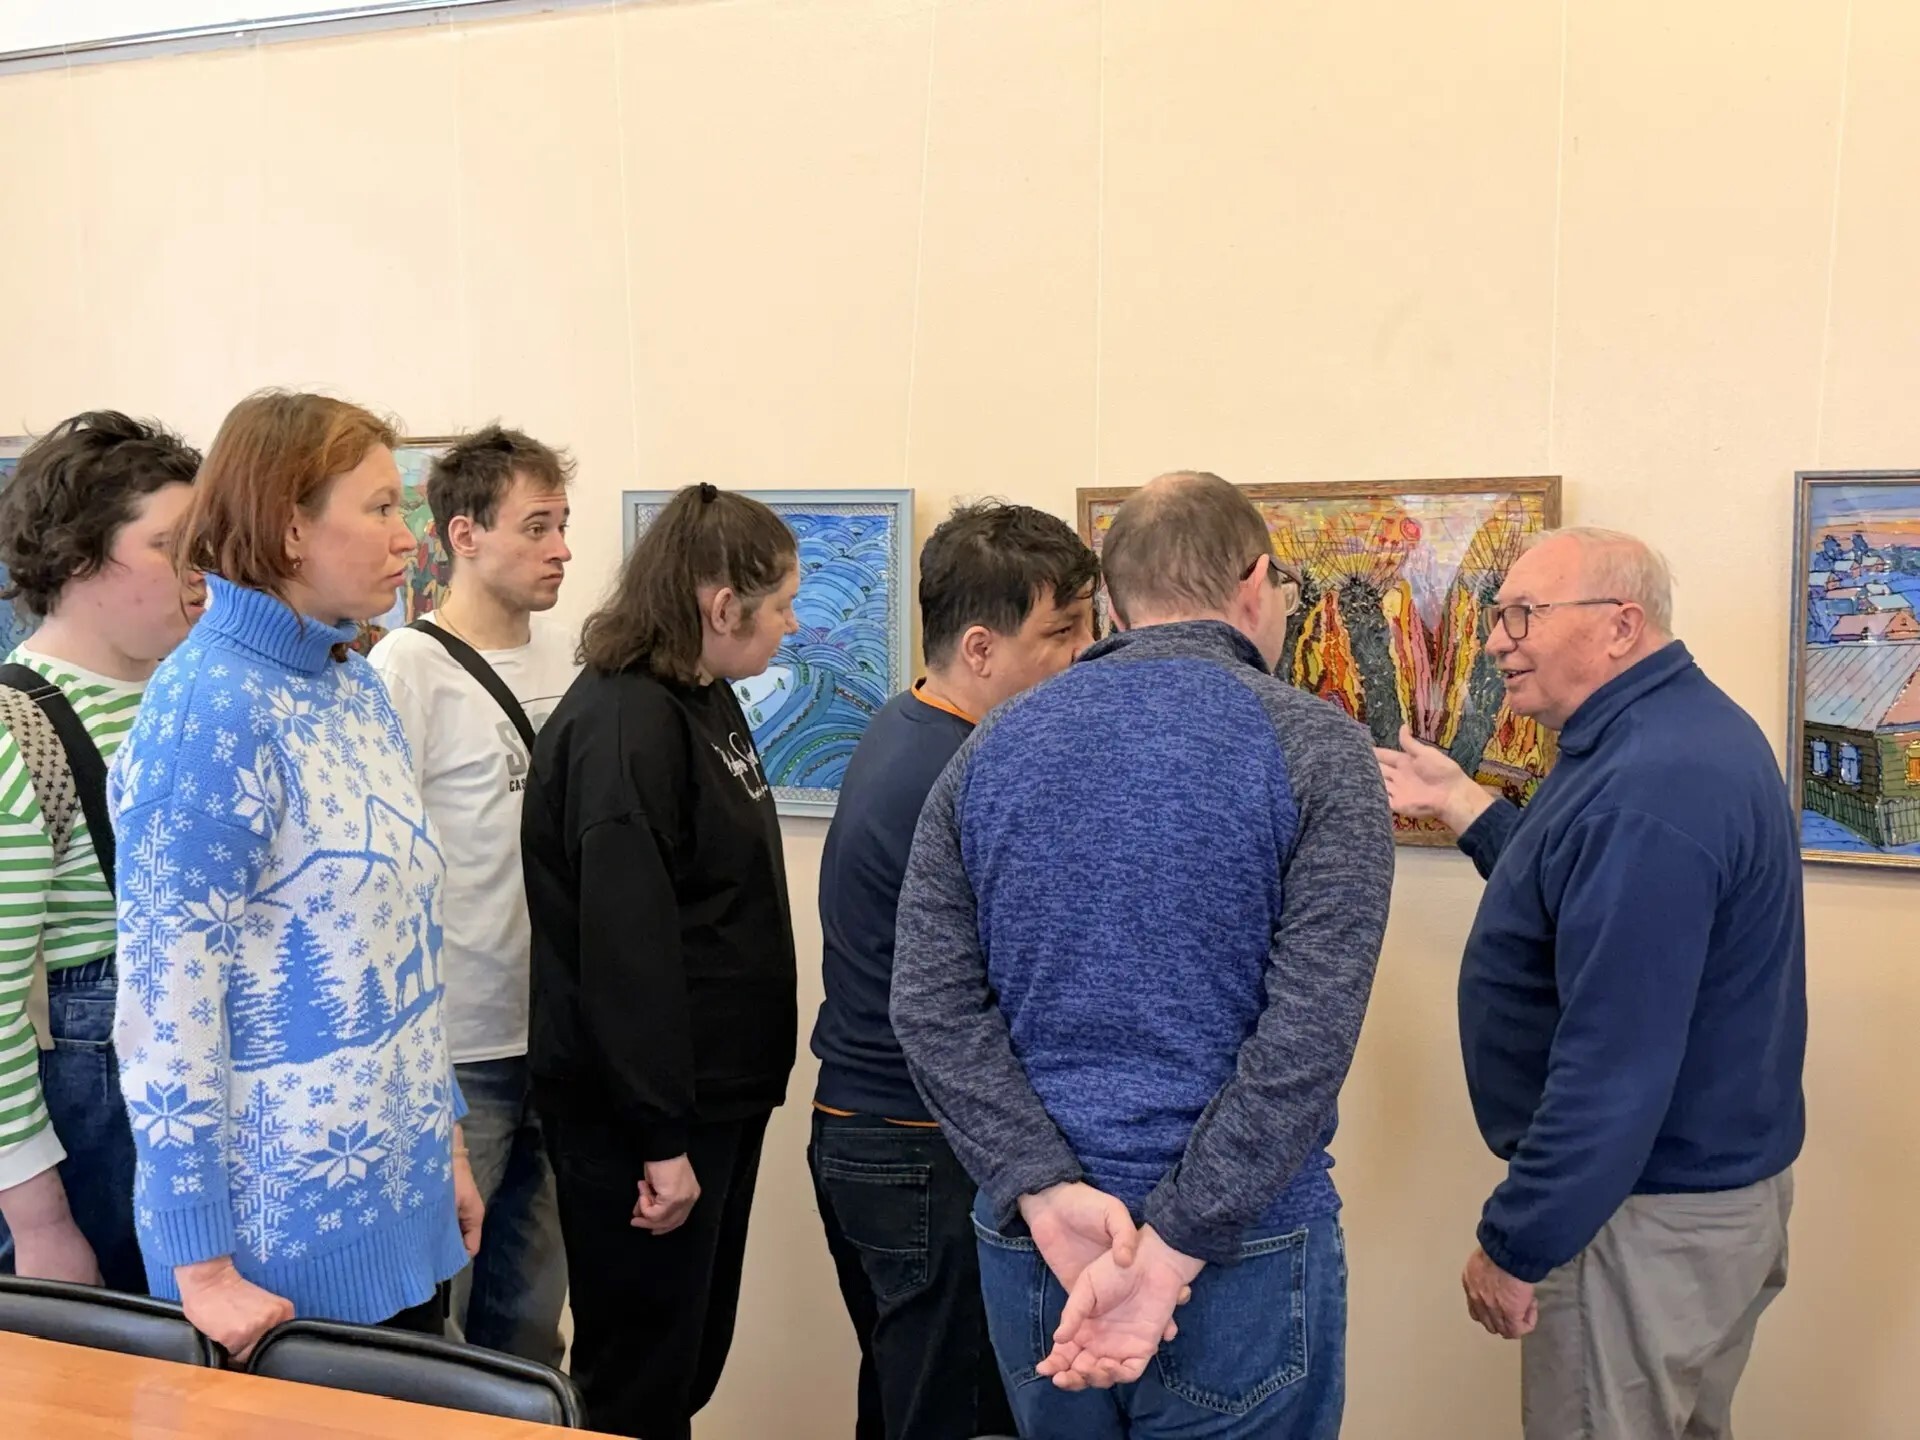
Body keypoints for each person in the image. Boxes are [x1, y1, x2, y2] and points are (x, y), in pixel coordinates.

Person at [892, 471, 1394, 1439]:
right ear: (1256, 583)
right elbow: (1307, 1036)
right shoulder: (1318, 749)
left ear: (1116, 604)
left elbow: (929, 1006)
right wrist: (1173, 1243)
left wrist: (1041, 1189)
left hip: (1046, 1249)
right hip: (1240, 1254)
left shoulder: (992, 748)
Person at [1375, 527, 1804, 1440]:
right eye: (1498, 615)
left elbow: (1615, 1060)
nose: (1497, 641)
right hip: (1691, 1200)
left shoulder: (1649, 785)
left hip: (1643, 1219)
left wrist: (1517, 1239)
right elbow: (1579, 893)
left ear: (1621, 626)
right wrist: (1461, 803)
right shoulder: (1666, 734)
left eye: (1523, 614)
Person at [110, 391, 483, 1362]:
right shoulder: (204, 712)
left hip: (402, 1214)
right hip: (275, 1266)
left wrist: (445, 1143)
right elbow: (164, 1009)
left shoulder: (354, 686)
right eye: (381, 508)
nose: (409, 538)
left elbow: (404, 941)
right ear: (289, 529)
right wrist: (200, 1269)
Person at [810, 501, 1098, 1440]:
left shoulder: (910, 726)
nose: (1086, 653)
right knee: (952, 1412)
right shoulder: (960, 770)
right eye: (1061, 632)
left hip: (877, 1133)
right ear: (980, 647)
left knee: (910, 1399)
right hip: (917, 1146)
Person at [522, 482, 800, 1440]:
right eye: (781, 605)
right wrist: (660, 1140)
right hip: (646, 1123)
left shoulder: (701, 695)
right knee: (638, 1381)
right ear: (721, 607)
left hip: (711, 1101)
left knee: (687, 1361)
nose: (792, 625)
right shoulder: (624, 727)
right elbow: (625, 954)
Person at [368, 425, 577, 1365]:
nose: (560, 548)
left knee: (532, 1324)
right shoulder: (406, 670)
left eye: (562, 525)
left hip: (558, 1039)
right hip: (459, 1053)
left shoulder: (572, 659)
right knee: (436, 1321)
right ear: (465, 534)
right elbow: (382, 877)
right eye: (536, 527)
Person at [0, 412, 202, 1292]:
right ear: (77, 554)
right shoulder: (16, 730)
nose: (200, 571)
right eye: (169, 546)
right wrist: (41, 1223)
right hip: (90, 1125)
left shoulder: (195, 699)